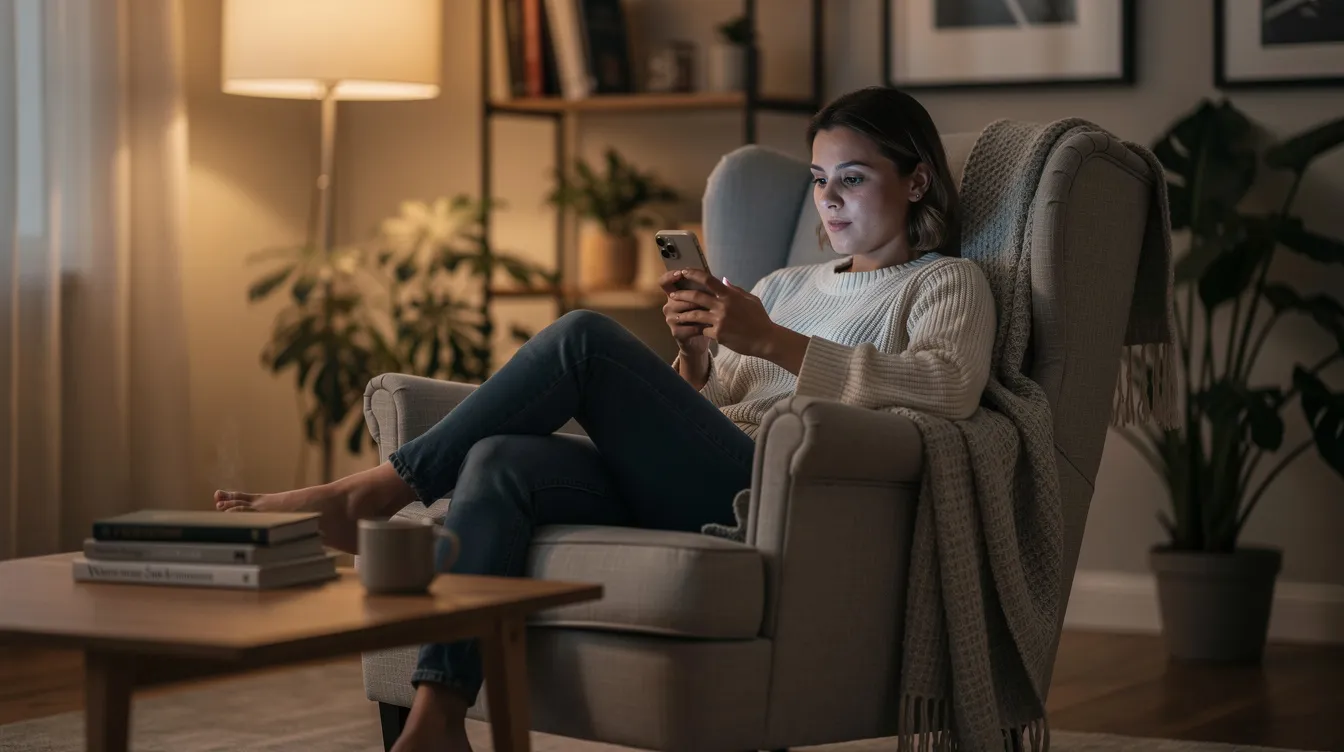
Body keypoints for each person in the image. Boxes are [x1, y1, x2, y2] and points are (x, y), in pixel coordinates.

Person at [213, 85, 996, 752]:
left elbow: (946, 389)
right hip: (707, 467)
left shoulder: (946, 283)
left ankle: (376, 493)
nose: (828, 199)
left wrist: (771, 341)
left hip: (768, 493)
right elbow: (712, 404)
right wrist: (693, 358)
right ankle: (438, 715)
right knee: (500, 460)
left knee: (583, 338)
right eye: (821, 179)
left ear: (918, 180)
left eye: (852, 179)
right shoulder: (786, 283)